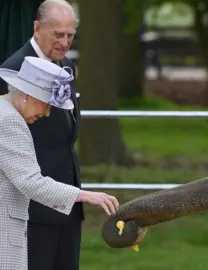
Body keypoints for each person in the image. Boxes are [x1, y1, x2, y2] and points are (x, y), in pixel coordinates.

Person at [0, 56, 119, 270]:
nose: (46, 113)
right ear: (27, 95)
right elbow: (30, 182)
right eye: (46, 105)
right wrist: (83, 195)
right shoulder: (9, 121)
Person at [0, 1, 85, 269]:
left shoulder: (66, 65)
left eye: (70, 35)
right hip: (33, 210)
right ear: (37, 28)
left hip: (68, 203)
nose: (64, 42)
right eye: (58, 34)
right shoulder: (14, 69)